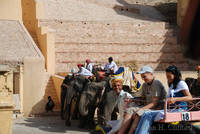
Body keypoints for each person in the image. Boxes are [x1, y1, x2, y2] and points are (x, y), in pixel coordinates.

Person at [134, 65, 192, 134]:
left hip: (180, 110)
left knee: (148, 114)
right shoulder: (172, 85)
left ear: (175, 75)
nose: (168, 78)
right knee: (145, 113)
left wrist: (175, 99)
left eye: (169, 76)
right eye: (167, 77)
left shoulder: (181, 83)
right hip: (171, 109)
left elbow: (190, 97)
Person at [118, 65, 166, 134]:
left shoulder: (156, 83)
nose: (143, 79)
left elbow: (154, 103)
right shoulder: (145, 85)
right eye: (142, 77)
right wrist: (132, 99)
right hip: (148, 106)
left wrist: (141, 109)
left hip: (157, 108)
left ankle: (130, 132)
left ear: (151, 74)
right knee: (130, 110)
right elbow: (142, 98)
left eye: (144, 76)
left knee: (139, 113)